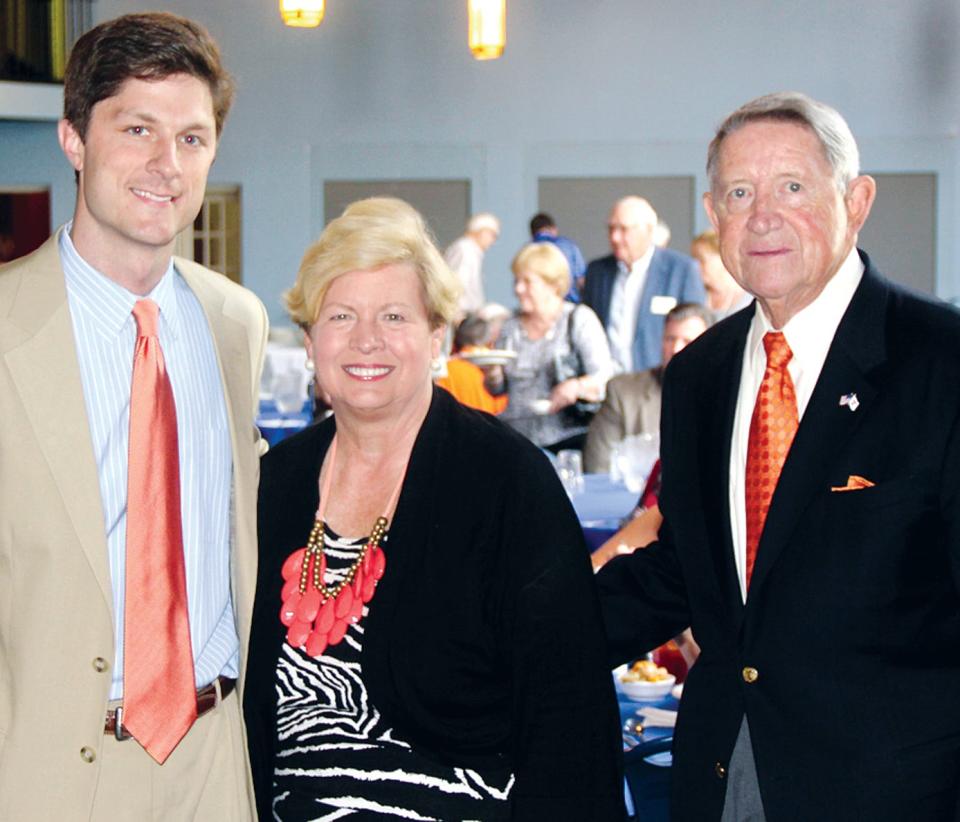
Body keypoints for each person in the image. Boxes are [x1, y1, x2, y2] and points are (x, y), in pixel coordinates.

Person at [596, 91, 960, 820]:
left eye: (792, 187)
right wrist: (519, 632)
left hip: (893, 789)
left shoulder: (940, 361)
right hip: (725, 772)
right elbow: (689, 568)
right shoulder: (700, 376)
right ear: (712, 214)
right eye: (739, 192)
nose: (762, 215)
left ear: (856, 202)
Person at [244, 197, 623, 821]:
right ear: (310, 343)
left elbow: (567, 714)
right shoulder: (273, 484)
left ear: (437, 337)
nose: (367, 339)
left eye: (394, 315)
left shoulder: (507, 481)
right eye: (341, 316)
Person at [0, 12, 266, 821]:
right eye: (138, 128)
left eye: (191, 138)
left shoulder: (235, 325)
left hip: (214, 761)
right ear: (75, 140)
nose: (166, 164)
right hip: (44, 770)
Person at [487, 242, 614, 452]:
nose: (518, 289)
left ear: (553, 286)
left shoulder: (578, 320)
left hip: (567, 439)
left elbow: (605, 378)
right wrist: (492, 373)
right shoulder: (510, 327)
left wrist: (576, 386)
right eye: (517, 281)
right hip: (516, 438)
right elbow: (497, 389)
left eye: (528, 282)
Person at [583, 302, 712, 473]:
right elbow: (598, 468)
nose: (676, 349)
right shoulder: (622, 392)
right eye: (670, 339)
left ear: (708, 346)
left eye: (687, 341)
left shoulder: (725, 394)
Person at [582, 196, 705, 374]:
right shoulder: (597, 272)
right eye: (611, 229)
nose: (615, 237)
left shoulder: (681, 270)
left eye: (624, 229)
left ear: (648, 230)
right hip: (608, 384)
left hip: (659, 382)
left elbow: (696, 332)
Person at [435, 313, 509, 414]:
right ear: (490, 342)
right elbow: (502, 407)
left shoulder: (443, 370)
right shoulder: (495, 370)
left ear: (455, 341)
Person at [443, 211, 500, 316]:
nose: (493, 241)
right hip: (462, 316)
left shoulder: (470, 250)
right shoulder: (465, 249)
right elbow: (457, 285)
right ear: (482, 231)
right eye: (493, 235)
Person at [690, 229, 751, 319]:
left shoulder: (749, 298)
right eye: (693, 260)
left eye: (701, 260)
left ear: (723, 259)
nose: (695, 266)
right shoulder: (693, 293)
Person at [530, 211, 586, 301]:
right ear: (553, 229)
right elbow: (582, 281)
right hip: (568, 303)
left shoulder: (528, 250)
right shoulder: (569, 245)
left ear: (532, 234)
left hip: (539, 304)